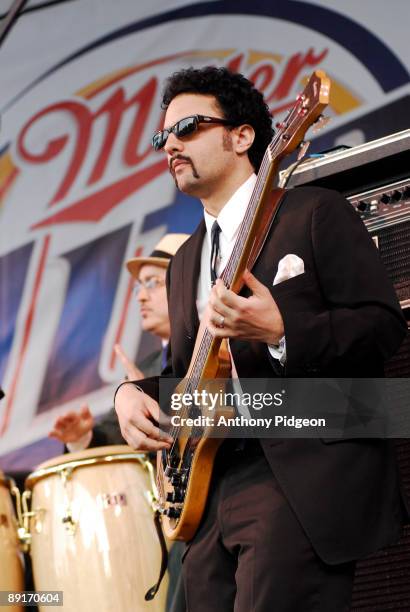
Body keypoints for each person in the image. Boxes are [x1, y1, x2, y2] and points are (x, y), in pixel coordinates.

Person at [114, 66, 407, 612]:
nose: (170, 144)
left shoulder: (315, 212)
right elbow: (190, 378)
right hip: (207, 490)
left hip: (295, 472)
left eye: (189, 127)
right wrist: (132, 395)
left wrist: (282, 331)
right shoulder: (182, 264)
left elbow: (384, 327)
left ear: (243, 135)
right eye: (162, 136)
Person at [49, 233, 189, 450]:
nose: (140, 296)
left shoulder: (227, 345)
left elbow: (256, 408)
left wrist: (161, 398)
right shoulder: (143, 370)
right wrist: (81, 438)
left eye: (153, 283)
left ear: (187, 284)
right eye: (139, 286)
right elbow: (114, 434)